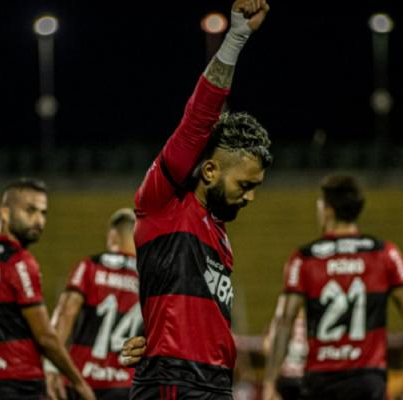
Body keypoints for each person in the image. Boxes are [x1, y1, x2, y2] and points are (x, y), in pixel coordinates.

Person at [130, 1, 272, 398]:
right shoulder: (165, 202)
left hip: (211, 382)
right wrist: (236, 38)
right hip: (178, 381)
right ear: (209, 171)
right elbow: (198, 119)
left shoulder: (218, 234)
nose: (251, 198)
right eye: (245, 185)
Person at [262, 175, 403, 400]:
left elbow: (284, 320)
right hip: (369, 381)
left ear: (328, 210)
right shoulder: (385, 253)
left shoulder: (304, 259)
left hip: (321, 381)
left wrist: (271, 380)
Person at [0, 178, 95, 400]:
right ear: (5, 213)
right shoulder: (20, 262)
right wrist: (78, 382)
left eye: (43, 213)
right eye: (30, 210)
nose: (39, 221)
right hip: (19, 385)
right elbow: (45, 337)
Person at [45, 208, 142, 400]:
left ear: (113, 236)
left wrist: (50, 366)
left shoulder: (90, 266)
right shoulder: (150, 278)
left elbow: (66, 313)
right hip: (127, 385)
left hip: (82, 380)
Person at [264, 303, 307, 400]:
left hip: (293, 379)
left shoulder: (282, 324)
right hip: (291, 379)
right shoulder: (282, 324)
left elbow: (268, 347)